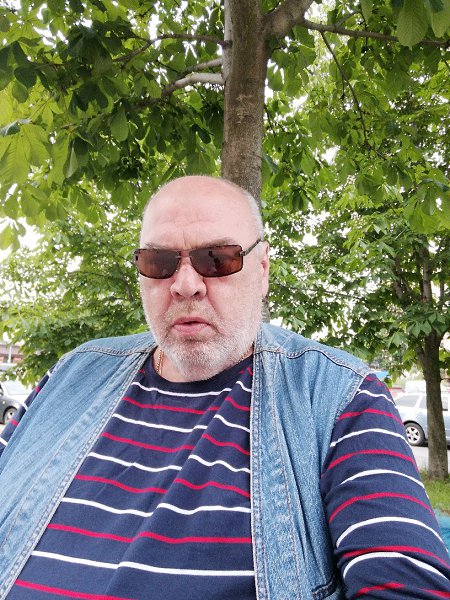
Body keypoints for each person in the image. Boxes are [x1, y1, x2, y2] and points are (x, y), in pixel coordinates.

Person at [0, 175, 448, 600]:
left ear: (263, 268)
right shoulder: (71, 375)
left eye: (217, 259)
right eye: (159, 262)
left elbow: (407, 583)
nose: (185, 285)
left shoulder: (339, 397)